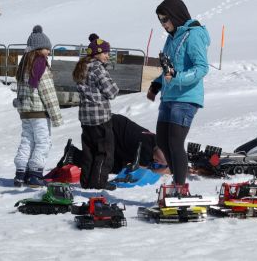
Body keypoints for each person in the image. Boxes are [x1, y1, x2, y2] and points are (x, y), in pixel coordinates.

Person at [147, 0, 210, 185]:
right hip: (169, 97)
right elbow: (169, 69)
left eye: (165, 19)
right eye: (160, 20)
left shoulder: (193, 34)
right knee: (163, 143)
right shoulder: (172, 38)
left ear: (175, 15)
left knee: (175, 142)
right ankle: (177, 182)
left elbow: (202, 68)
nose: (163, 24)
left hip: (186, 97)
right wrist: (157, 84)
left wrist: (177, 78)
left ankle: (180, 187)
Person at [14, 25, 63, 187]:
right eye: (46, 49)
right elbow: (48, 94)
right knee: (43, 142)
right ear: (38, 49)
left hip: (26, 112)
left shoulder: (23, 66)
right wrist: (56, 117)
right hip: (39, 113)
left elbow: (20, 92)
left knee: (27, 140)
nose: (49, 52)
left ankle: (21, 172)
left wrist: (20, 104)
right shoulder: (40, 65)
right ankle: (35, 174)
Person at [72, 33, 119, 190]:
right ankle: (98, 182)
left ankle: (86, 182)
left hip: (85, 118)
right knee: (104, 153)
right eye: (105, 53)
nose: (107, 56)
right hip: (100, 117)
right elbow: (112, 91)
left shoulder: (83, 66)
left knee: (89, 152)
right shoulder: (98, 68)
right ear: (97, 53)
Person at [58, 114, 169, 174]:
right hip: (108, 128)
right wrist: (161, 170)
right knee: (105, 163)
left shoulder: (155, 139)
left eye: (160, 163)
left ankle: (73, 154)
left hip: (113, 126)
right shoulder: (146, 149)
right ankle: (73, 155)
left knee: (115, 167)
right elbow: (141, 172)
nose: (157, 161)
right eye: (159, 160)